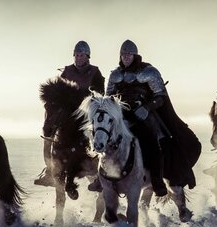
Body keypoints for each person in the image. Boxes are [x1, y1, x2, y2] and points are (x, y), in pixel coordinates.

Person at [103, 39, 200, 197]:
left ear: (135, 55)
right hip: (122, 115)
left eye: (129, 54)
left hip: (144, 115)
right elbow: (109, 98)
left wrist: (146, 108)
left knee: (153, 144)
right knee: (104, 139)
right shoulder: (115, 75)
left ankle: (157, 181)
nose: (126, 57)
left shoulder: (148, 72)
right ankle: (103, 178)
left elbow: (160, 96)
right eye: (123, 54)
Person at [35, 40, 106, 187]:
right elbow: (58, 92)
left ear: (88, 56)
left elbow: (100, 95)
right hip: (67, 114)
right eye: (77, 55)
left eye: (82, 55)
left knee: (99, 135)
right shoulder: (67, 71)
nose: (79, 57)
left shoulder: (94, 72)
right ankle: (49, 171)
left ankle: (101, 171)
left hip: (86, 114)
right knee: (48, 136)